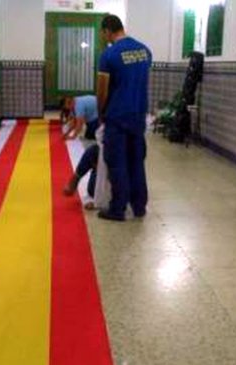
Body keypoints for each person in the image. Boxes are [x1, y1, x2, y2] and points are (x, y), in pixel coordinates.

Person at [96, 15, 152, 221]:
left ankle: (117, 209)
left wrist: (101, 113)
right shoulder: (145, 51)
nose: (104, 38)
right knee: (137, 161)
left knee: (117, 162)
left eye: (103, 34)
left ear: (107, 31)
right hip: (138, 116)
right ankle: (139, 207)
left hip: (117, 117)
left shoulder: (109, 54)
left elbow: (102, 91)